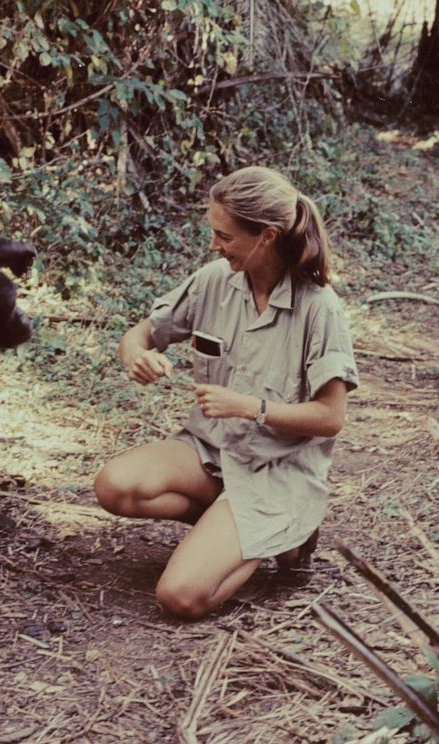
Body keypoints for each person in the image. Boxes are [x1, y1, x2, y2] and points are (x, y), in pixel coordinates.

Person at [93, 166, 359, 620]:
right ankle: (238, 530)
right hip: (212, 451)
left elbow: (331, 417)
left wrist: (251, 408)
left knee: (180, 596)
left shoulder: (319, 307)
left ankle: (287, 536)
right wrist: (136, 355)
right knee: (115, 486)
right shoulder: (215, 280)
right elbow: (140, 334)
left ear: (267, 237)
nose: (214, 245)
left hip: (276, 470)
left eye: (225, 236)